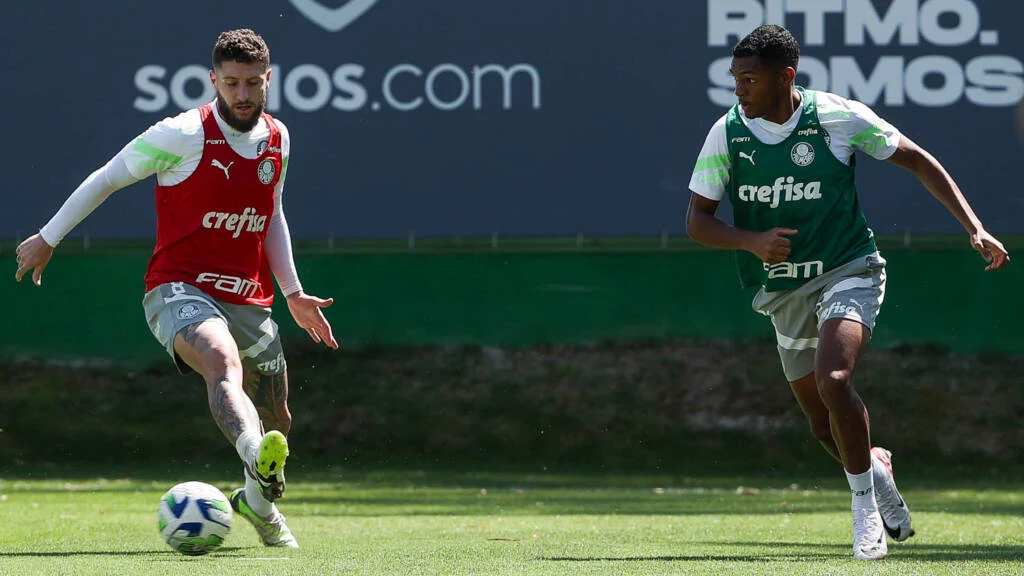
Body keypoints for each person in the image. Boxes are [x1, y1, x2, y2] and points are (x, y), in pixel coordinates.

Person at [686, 24, 1009, 560]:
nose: (739, 89)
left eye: (750, 79)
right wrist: (751, 241)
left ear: (785, 76)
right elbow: (698, 220)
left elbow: (917, 158)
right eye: (735, 78)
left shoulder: (835, 116)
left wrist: (973, 226)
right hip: (784, 291)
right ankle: (875, 468)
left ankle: (864, 514)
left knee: (834, 381)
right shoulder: (728, 132)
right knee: (820, 423)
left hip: (849, 269)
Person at [14, 28, 340, 549]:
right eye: (231, 83)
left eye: (253, 83)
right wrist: (49, 237)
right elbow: (107, 177)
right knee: (222, 360)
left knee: (279, 411)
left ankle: (257, 504)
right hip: (178, 289)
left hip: (249, 296)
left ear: (268, 81)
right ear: (213, 80)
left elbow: (271, 214)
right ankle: (255, 454)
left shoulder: (278, 137)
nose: (242, 94)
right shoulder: (183, 133)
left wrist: (293, 292)